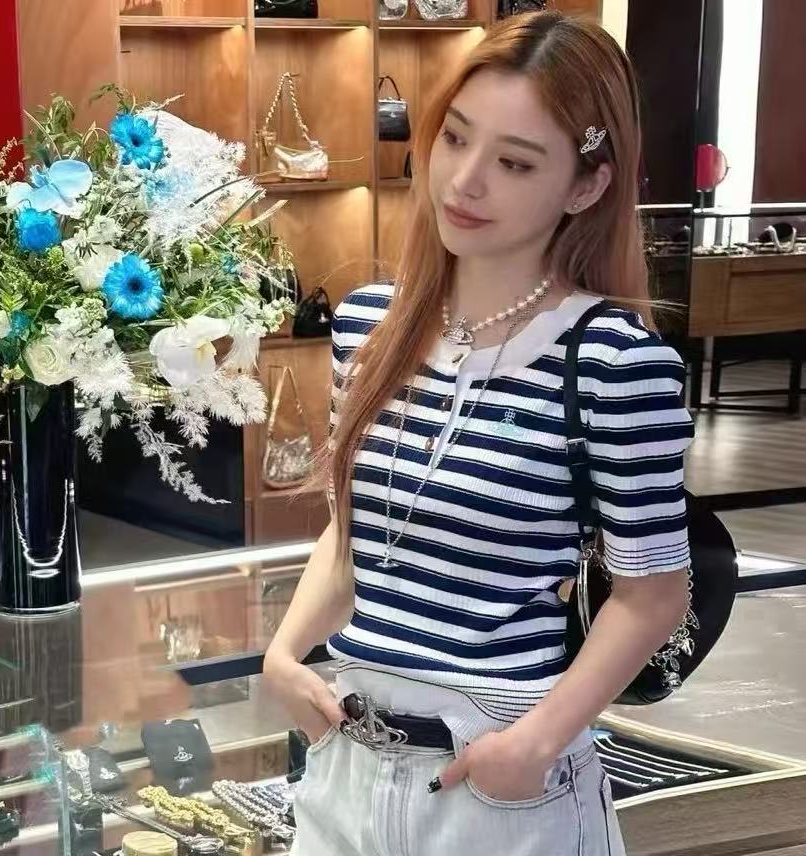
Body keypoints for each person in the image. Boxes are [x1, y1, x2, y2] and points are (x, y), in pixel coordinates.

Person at [264, 9, 695, 855]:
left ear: (585, 187)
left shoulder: (613, 360)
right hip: (347, 762)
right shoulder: (369, 326)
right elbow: (352, 532)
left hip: (497, 783)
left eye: (515, 162)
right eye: (456, 138)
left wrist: (532, 745)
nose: (464, 181)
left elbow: (654, 593)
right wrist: (284, 653)